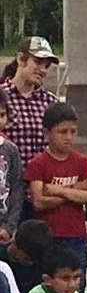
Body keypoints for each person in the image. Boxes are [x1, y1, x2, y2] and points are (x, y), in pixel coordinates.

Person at [26, 102, 87, 293]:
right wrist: (76, 191)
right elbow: (39, 201)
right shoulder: (38, 164)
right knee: (47, 288)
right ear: (47, 133)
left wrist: (58, 190)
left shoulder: (82, 162)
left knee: (77, 288)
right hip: (47, 237)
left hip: (76, 236)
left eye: (73, 132)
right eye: (62, 132)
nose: (68, 137)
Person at [1, 36, 60, 172]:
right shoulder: (2, 98)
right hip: (8, 187)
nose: (43, 70)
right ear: (21, 59)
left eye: (47, 65)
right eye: (38, 62)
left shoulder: (51, 102)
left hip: (42, 187)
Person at [0, 220, 52, 293]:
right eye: (27, 259)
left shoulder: (43, 262)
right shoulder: (2, 262)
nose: (31, 263)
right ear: (14, 243)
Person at [0, 92, 25, 242]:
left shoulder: (10, 149)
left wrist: (9, 227)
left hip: (3, 229)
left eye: (2, 115)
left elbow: (17, 187)